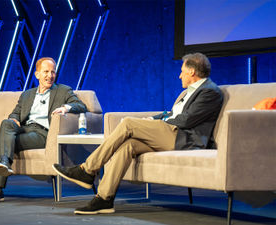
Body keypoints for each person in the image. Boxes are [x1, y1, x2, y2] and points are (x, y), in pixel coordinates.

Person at [52, 52, 224, 214]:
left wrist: (157, 123)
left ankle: (87, 169)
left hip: (185, 139)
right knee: (128, 145)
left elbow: (187, 120)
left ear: (192, 71)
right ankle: (104, 198)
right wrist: (153, 118)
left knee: (128, 123)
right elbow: (172, 113)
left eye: (182, 72)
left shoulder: (210, 91)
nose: (180, 76)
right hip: (173, 133)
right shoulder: (190, 92)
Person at [0, 57, 87, 203]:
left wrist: (65, 108)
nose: (50, 76)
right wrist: (14, 119)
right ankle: (4, 164)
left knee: (8, 142)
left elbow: (81, 106)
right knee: (6, 123)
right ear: (37, 74)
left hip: (42, 133)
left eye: (53, 72)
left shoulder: (63, 90)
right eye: (46, 72)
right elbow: (15, 113)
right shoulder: (27, 95)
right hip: (25, 128)